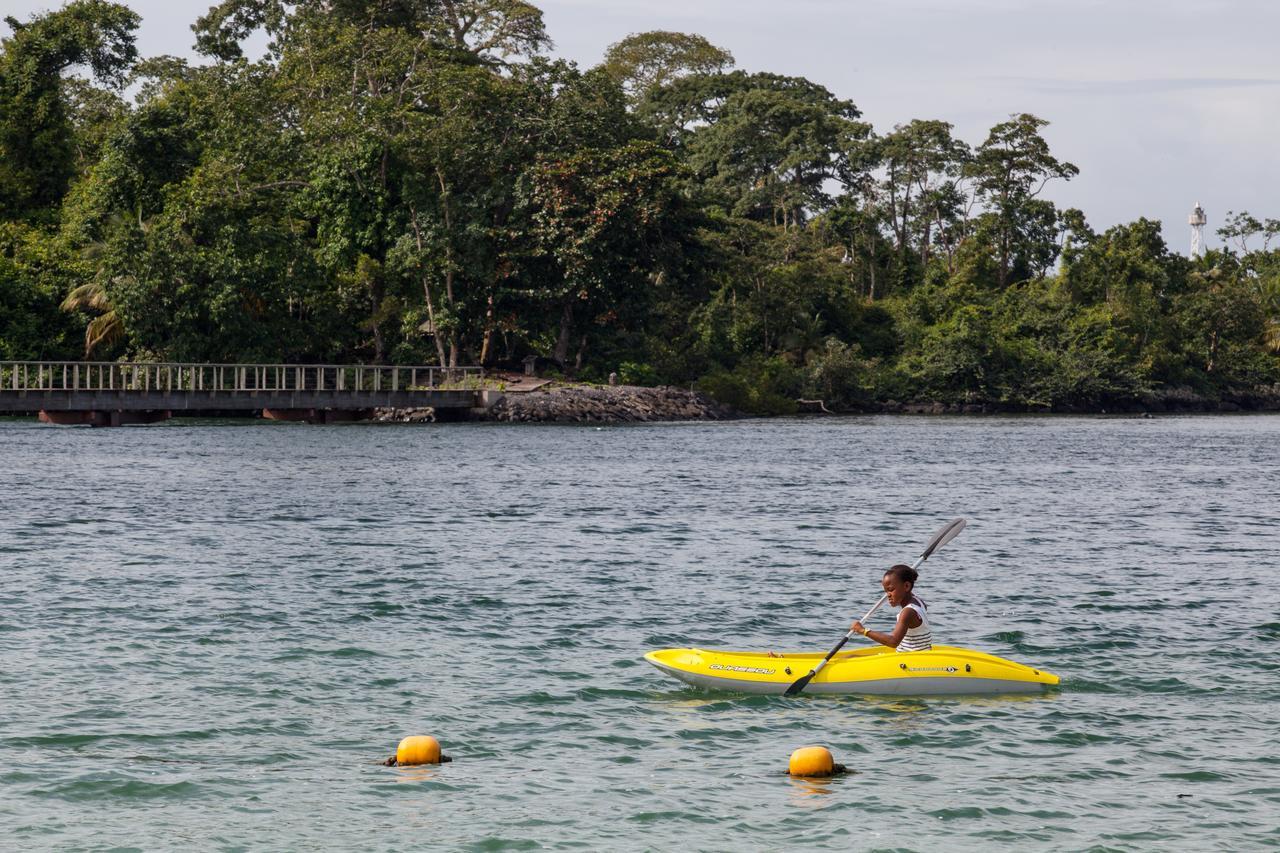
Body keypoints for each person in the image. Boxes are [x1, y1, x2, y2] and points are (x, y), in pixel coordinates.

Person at [851, 564, 932, 652]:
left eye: (891, 589)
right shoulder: (919, 602)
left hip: (908, 660)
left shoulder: (907, 612)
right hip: (920, 654)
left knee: (851, 658)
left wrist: (863, 630)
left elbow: (893, 642)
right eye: (886, 591)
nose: (888, 595)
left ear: (906, 586)